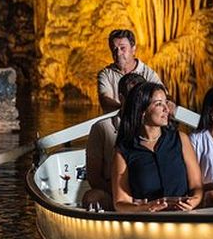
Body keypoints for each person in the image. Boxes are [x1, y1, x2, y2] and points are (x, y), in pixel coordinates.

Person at [112, 82, 203, 212]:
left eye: (166, 102)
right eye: (159, 104)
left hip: (183, 218)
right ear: (142, 111)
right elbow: (120, 203)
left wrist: (194, 201)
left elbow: (196, 186)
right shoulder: (124, 150)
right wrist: (146, 208)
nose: (166, 109)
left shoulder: (181, 139)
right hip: (148, 223)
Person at [81, 73, 146, 210]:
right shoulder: (102, 128)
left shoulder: (153, 126)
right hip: (113, 190)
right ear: (122, 99)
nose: (138, 103)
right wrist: (123, 195)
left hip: (147, 190)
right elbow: (94, 177)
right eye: (133, 98)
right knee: (91, 198)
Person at [97, 29, 162, 112]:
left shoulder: (148, 73)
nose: (118, 53)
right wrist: (129, 110)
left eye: (122, 48)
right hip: (116, 124)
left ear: (133, 49)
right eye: (114, 49)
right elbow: (105, 100)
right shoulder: (106, 74)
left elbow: (162, 96)